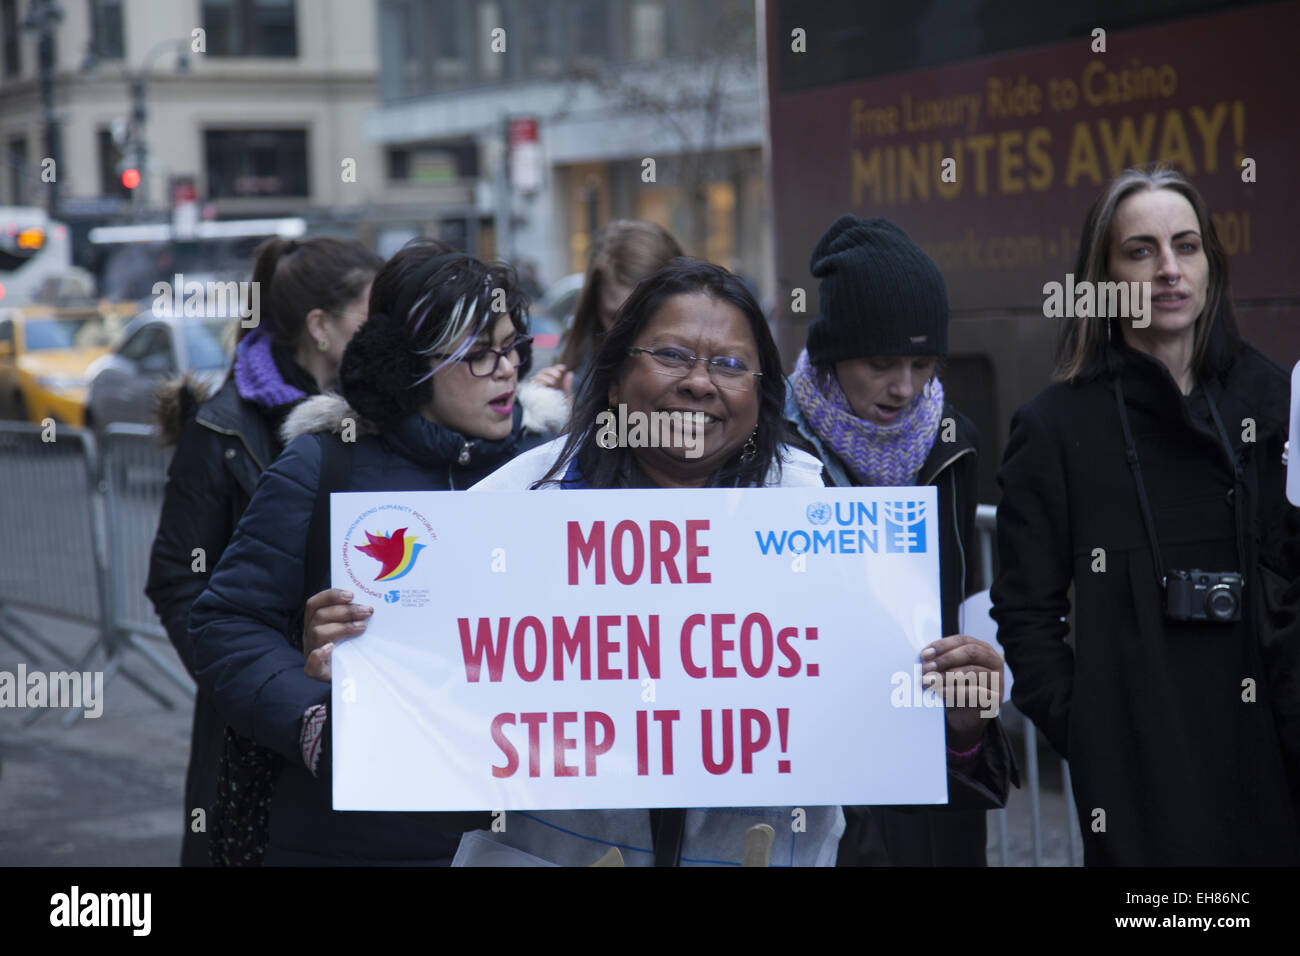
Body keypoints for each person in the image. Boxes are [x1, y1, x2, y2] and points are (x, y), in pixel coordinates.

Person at [306, 258, 1014, 865]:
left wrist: (959, 725)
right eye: (672, 356)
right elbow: (424, 759)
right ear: (615, 380)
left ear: (760, 396)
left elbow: (888, 752)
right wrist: (365, 675)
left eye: (729, 365)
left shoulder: (821, 520)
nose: (700, 383)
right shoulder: (510, 511)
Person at [186, 242, 557, 864]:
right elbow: (225, 625)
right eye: (477, 354)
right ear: (408, 367)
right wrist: (312, 716)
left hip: (520, 838)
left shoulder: (551, 471)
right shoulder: (323, 465)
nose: (507, 370)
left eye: (513, 347)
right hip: (351, 839)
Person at [990, 164, 1300, 865]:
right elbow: (1026, 613)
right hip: (1140, 796)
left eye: (1186, 246)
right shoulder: (1055, 427)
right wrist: (1093, 731)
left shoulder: (1272, 400)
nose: (1168, 269)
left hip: (1272, 770)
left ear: (1210, 264)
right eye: (1140, 251)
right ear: (1101, 277)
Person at [784, 215, 1014, 865]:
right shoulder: (772, 445)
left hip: (924, 765)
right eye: (881, 363)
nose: (905, 387)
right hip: (814, 765)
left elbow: (960, 599)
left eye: (921, 362)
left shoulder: (952, 440)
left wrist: (969, 712)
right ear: (831, 356)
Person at [146, 235, 383, 866]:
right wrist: (261, 679)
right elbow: (177, 579)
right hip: (253, 725)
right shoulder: (221, 427)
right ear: (321, 327)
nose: (385, 332)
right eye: (371, 316)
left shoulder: (381, 415)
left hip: (360, 714)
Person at [531, 219, 683, 398]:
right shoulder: (575, 362)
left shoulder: (698, 370)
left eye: (644, 318)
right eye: (614, 317)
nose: (628, 333)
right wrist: (554, 407)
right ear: (595, 304)